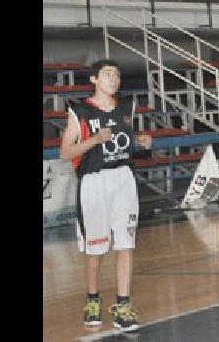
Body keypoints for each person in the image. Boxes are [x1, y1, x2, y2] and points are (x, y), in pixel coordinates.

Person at [59, 59, 153, 333]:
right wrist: (93, 140)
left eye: (117, 74)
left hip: (123, 178)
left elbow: (126, 141)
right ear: (94, 80)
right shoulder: (80, 111)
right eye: (107, 74)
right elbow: (65, 153)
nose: (113, 79)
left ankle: (123, 305)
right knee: (95, 248)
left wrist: (141, 141)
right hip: (94, 182)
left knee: (126, 243)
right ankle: (92, 301)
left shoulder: (126, 108)